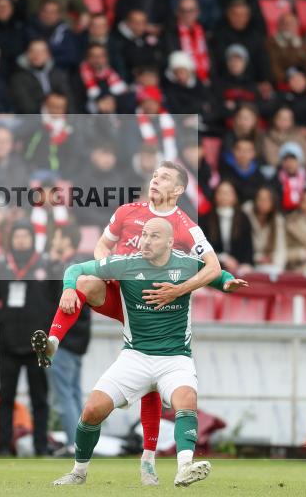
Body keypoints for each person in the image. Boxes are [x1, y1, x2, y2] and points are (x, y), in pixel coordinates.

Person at [36, 161, 221, 483]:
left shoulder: (185, 226)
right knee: (85, 282)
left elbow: (211, 268)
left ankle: (150, 459)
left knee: (155, 382)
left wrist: (185, 288)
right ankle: (53, 342)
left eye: (164, 177)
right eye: (154, 176)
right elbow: (101, 247)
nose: (155, 180)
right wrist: (107, 269)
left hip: (155, 305)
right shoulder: (127, 212)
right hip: (124, 290)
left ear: (179, 189)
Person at [49, 217, 245, 487]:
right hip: (135, 356)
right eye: (144, 235)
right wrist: (69, 289)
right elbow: (76, 269)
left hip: (175, 358)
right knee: (92, 410)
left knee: (186, 399)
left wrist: (228, 282)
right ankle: (78, 473)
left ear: (170, 242)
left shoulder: (186, 264)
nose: (145, 241)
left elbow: (216, 274)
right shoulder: (125, 263)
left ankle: (185, 467)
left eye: (154, 236)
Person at [0, 220, 52, 456]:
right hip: (7, 343)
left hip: (38, 345)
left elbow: (57, 299)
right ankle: (3, 446)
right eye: (17, 236)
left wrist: (47, 329)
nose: (21, 240)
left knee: (39, 398)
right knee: (5, 397)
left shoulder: (45, 265)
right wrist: (1, 319)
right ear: (11, 239)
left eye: (25, 236)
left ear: (33, 239)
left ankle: (41, 447)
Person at [45, 224, 90, 454]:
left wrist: (52, 265)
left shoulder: (69, 268)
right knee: (73, 394)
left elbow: (56, 301)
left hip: (65, 339)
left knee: (64, 397)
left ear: (66, 240)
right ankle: (82, 443)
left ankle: (75, 446)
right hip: (78, 340)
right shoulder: (80, 264)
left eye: (57, 237)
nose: (54, 241)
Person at [201, 180, 253, 275]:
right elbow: (203, 247)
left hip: (239, 267)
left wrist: (246, 263)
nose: (224, 196)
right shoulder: (206, 219)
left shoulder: (243, 218)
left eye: (228, 193)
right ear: (215, 196)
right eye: (221, 192)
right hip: (213, 265)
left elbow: (248, 246)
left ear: (235, 197)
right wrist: (223, 258)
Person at [8, 39, 71, 114]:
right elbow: (26, 106)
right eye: (33, 51)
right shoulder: (18, 78)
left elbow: (69, 100)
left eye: (42, 52)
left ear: (48, 54)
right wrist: (48, 105)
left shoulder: (58, 74)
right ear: (27, 54)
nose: (37, 55)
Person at [267, 12, 306, 92]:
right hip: (281, 87)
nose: (287, 26)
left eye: (291, 24)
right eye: (284, 23)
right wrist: (290, 80)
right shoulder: (270, 44)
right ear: (278, 26)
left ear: (297, 26)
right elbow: (273, 66)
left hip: (304, 87)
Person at [270, 141, 306, 214]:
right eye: (285, 159)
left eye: (293, 159)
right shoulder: (275, 181)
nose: (289, 163)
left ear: (299, 160)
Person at [243, 186, 286, 274]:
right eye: (260, 199)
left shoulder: (278, 220)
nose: (263, 203)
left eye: (267, 200)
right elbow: (242, 246)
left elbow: (281, 248)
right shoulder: (246, 214)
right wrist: (257, 258)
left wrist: (275, 261)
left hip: (270, 264)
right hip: (248, 262)